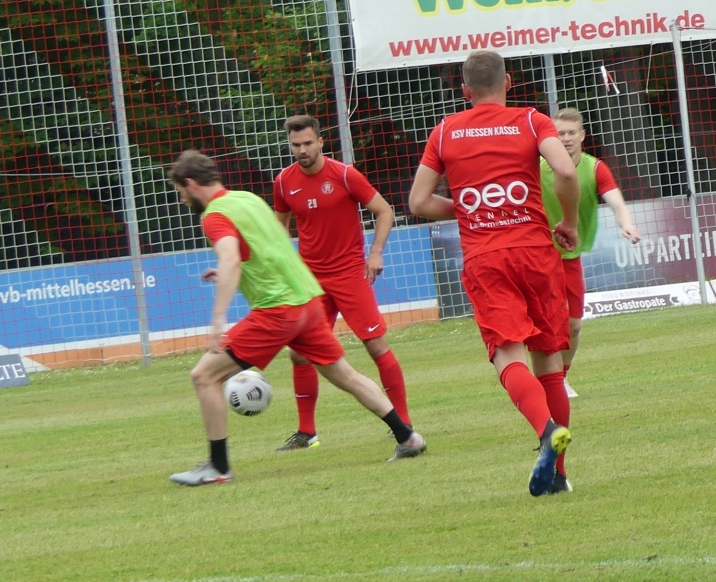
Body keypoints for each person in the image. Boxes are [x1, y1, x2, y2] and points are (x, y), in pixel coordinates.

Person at [168, 150, 423, 487]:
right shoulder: (247, 199)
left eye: (181, 192)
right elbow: (267, 248)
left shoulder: (214, 215)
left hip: (278, 310)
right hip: (307, 301)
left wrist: (217, 321)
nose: (182, 199)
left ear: (190, 184)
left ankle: (218, 467)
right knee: (345, 374)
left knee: (204, 376)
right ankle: (407, 437)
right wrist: (232, 270)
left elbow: (230, 257)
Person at [407, 51, 584, 497]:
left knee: (508, 357)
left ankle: (545, 430)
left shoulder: (445, 131)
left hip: (487, 258)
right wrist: (568, 222)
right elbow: (566, 170)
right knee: (550, 366)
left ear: (465, 90)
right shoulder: (531, 121)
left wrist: (468, 209)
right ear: (508, 82)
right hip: (536, 253)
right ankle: (559, 475)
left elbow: (418, 202)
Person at [269, 116, 409, 452]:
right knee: (299, 353)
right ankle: (307, 433)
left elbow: (384, 211)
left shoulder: (345, 175)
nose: (302, 150)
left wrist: (375, 253)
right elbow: (278, 228)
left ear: (321, 142)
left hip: (350, 274)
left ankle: (403, 423)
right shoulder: (284, 182)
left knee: (376, 346)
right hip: (311, 281)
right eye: (296, 145)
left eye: (308, 143)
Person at [540, 106, 640, 397]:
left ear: (582, 135)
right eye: (560, 133)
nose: (566, 138)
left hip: (570, 257)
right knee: (545, 324)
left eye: (571, 133)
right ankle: (543, 379)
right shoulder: (537, 166)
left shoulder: (594, 168)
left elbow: (616, 201)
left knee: (573, 325)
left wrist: (627, 224)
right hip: (538, 256)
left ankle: (561, 377)